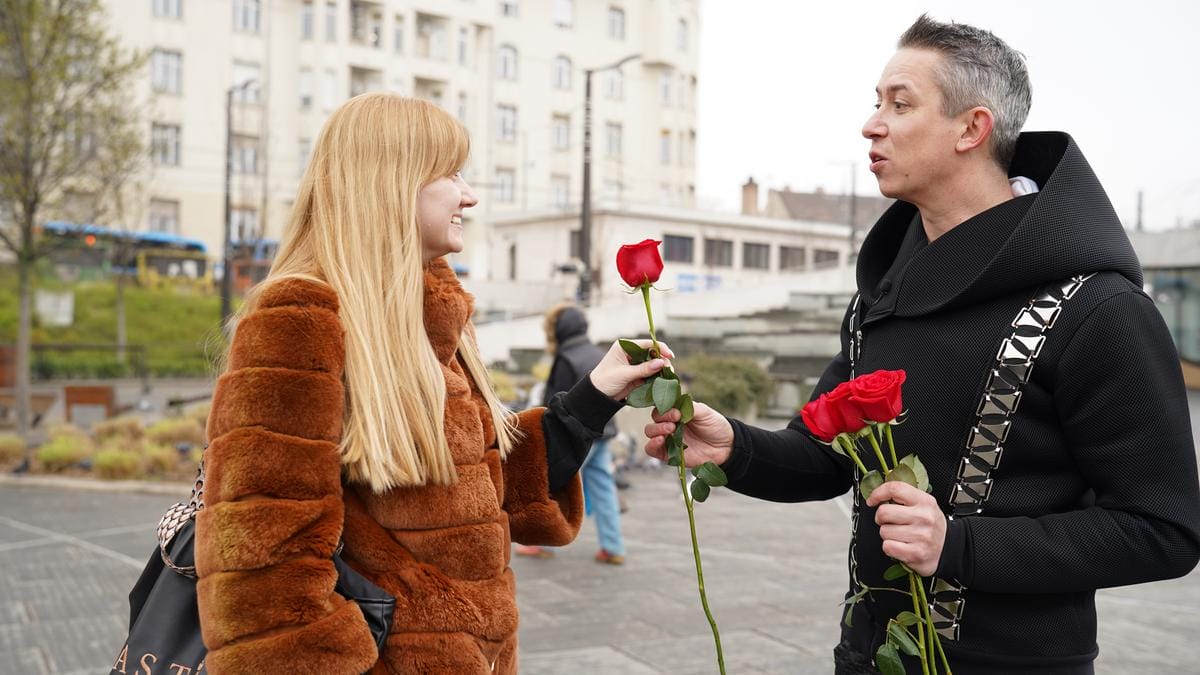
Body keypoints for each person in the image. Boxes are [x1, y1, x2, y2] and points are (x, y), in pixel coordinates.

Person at [645, 15, 1200, 674]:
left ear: (973, 128)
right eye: (876, 101)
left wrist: (960, 545)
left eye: (900, 104)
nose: (871, 124)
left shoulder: (1096, 309)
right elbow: (823, 457)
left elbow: (1164, 529)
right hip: (865, 656)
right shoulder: (882, 295)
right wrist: (734, 445)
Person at [195, 93, 670, 674]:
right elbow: (263, 568)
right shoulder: (301, 318)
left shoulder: (432, 319)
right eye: (449, 173)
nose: (468, 195)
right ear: (389, 182)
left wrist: (593, 398)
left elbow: (480, 497)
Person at [516, 304, 627, 564]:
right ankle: (613, 547)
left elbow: (558, 403)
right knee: (603, 489)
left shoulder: (567, 358)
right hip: (604, 431)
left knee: (551, 485)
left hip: (579, 437)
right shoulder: (598, 354)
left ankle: (542, 542)